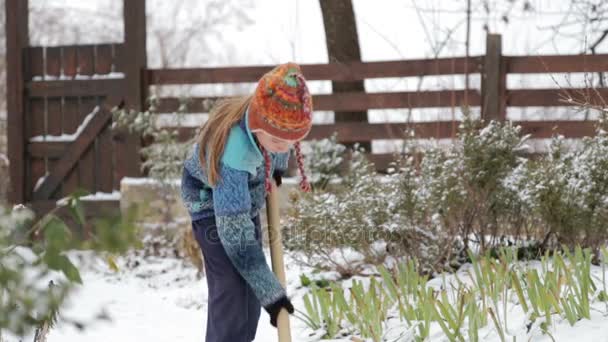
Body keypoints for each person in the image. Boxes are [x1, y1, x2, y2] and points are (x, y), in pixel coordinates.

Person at [180, 62, 313, 342]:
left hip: (244, 198)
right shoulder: (235, 150)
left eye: (290, 140)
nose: (283, 145)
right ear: (257, 122)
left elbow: (278, 144)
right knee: (230, 288)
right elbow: (237, 241)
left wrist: (276, 166)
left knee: (249, 296)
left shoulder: (272, 129)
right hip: (210, 204)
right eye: (276, 139)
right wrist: (273, 295)